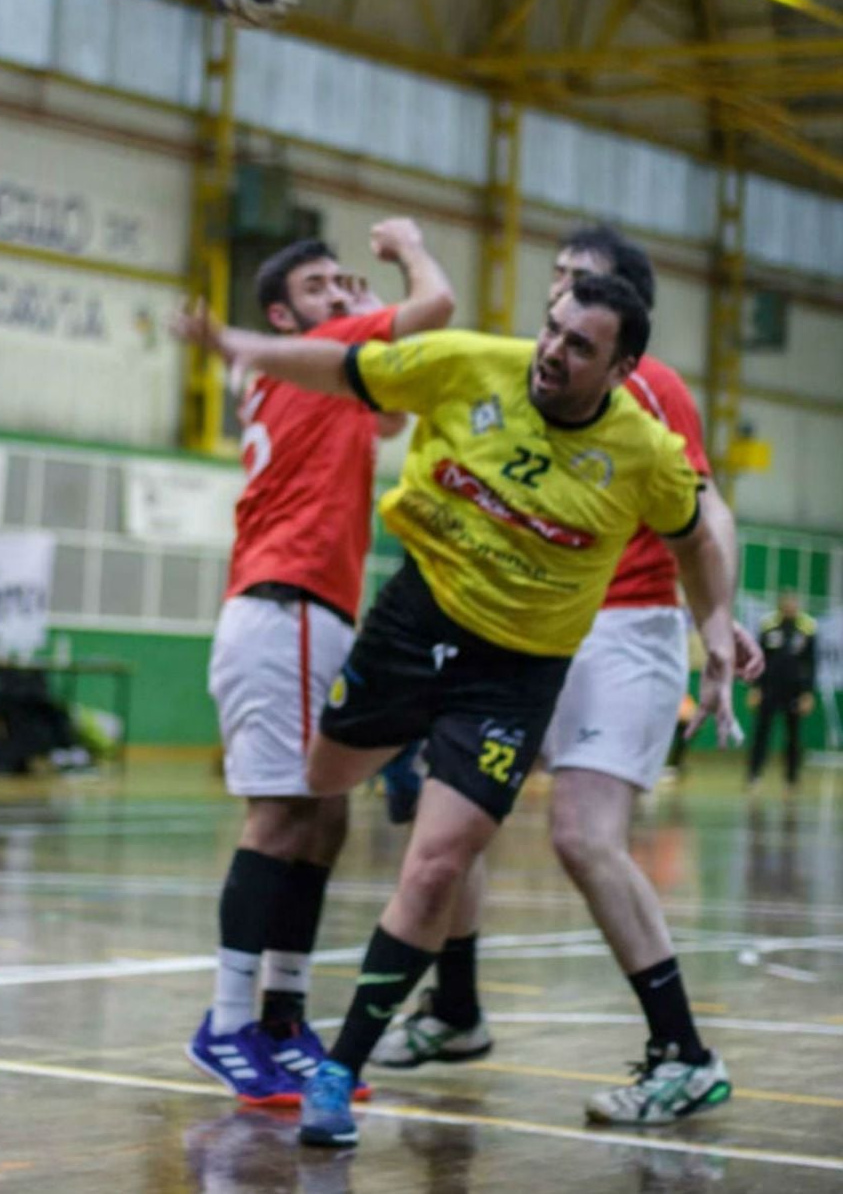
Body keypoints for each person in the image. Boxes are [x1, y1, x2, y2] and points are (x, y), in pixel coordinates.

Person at [175, 272, 738, 1148]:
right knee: (318, 786)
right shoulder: (473, 364)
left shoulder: (645, 449)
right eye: (552, 329)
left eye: (579, 344)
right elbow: (347, 367)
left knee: (437, 863)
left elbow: (698, 536)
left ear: (623, 366)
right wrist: (245, 349)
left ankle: (340, 1067)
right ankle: (405, 755)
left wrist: (716, 628)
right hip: (416, 619)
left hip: (512, 675)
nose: (554, 350)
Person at [373, 223, 763, 1128]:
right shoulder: (526, 376)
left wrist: (716, 627)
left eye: (572, 279)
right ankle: (456, 1011)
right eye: (553, 280)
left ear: (621, 311)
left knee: (585, 835)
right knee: (451, 815)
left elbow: (709, 519)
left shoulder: (647, 389)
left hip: (625, 630)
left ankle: (685, 1055)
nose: (555, 295)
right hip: (527, 634)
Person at [183, 220, 455, 1106]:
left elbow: (397, 412)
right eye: (320, 287)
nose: (340, 296)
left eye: (346, 282)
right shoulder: (314, 351)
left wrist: (366, 309)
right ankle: (227, 1022)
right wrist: (405, 252)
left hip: (314, 611)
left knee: (327, 819)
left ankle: (282, 1016)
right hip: (283, 605)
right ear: (283, 314)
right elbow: (439, 305)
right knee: (281, 818)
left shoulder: (330, 373)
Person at [748, 592, 818, 790]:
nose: (790, 606)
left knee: (793, 735)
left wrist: (807, 693)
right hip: (770, 688)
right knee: (761, 733)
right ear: (780, 605)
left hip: (794, 690)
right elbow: (758, 659)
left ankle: (791, 778)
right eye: (786, 603)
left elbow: (811, 663)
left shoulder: (807, 628)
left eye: (794, 603)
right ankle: (754, 774)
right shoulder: (768, 625)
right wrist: (756, 688)